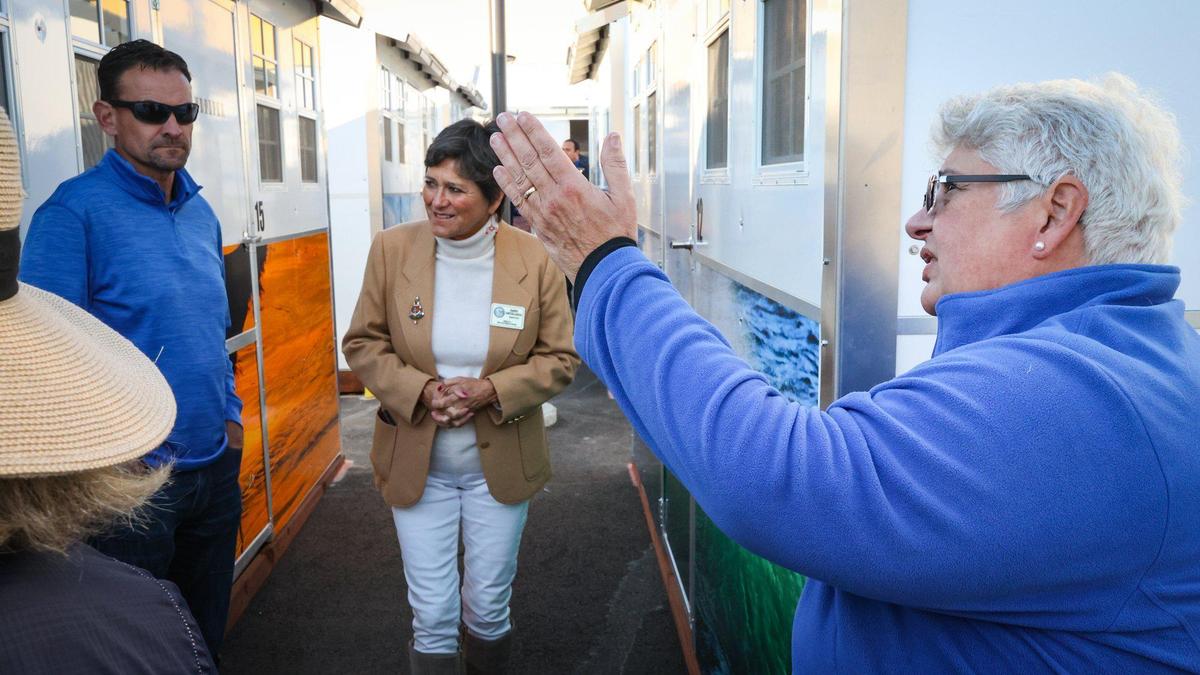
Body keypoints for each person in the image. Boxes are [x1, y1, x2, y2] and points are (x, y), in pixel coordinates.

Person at [489, 75, 1200, 671]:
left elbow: (778, 476)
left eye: (945, 189)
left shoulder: (1084, 394)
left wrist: (606, 260)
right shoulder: (1101, 354)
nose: (918, 222)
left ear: (1056, 211)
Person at [19, 39, 243, 659]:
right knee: (140, 651)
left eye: (185, 113)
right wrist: (107, 465)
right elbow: (47, 356)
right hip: (129, 487)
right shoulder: (72, 214)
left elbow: (213, 328)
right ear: (107, 117)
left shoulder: (200, 213)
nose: (172, 127)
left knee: (205, 641)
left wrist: (231, 419)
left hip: (212, 471)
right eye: (151, 111)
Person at [343, 118, 579, 674]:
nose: (436, 201)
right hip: (416, 464)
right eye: (430, 183)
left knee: (489, 609)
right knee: (432, 613)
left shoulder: (534, 258)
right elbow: (363, 341)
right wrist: (422, 390)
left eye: (455, 189)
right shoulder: (392, 249)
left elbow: (560, 358)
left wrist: (490, 390)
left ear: (495, 196)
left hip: (498, 467)